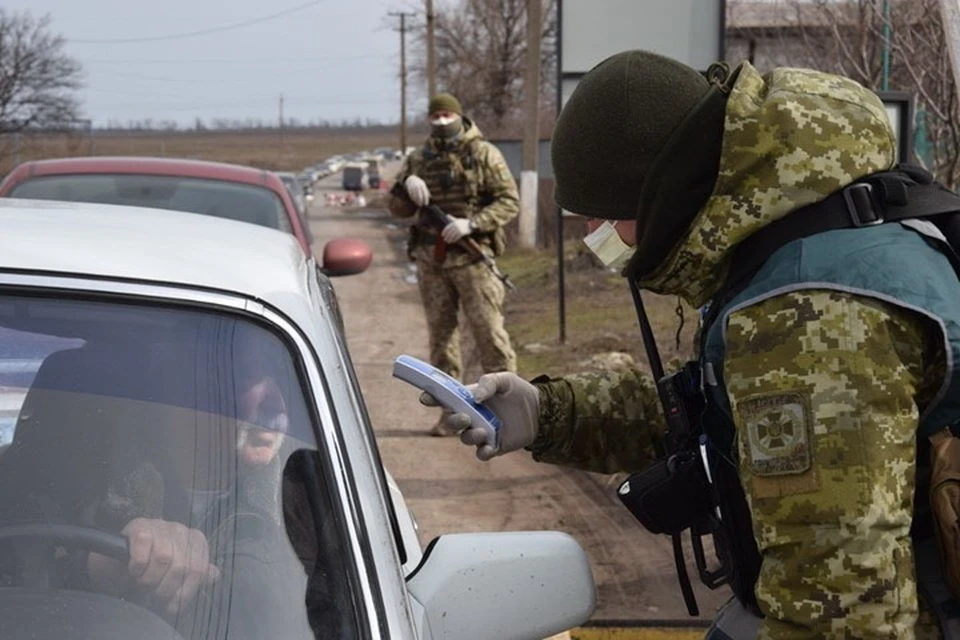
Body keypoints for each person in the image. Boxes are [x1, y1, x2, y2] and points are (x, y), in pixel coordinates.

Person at [433, 50, 960, 638]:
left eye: (602, 217)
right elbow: (723, 406)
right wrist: (548, 412)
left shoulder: (806, 317)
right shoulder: (799, 236)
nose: (593, 236)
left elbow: (840, 607)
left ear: (657, 200)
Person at [389, 92, 520, 436]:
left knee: (489, 334)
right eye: (436, 116)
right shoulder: (418, 159)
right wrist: (405, 186)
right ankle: (450, 413)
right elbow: (396, 208)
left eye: (448, 114)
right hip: (432, 260)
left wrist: (472, 224)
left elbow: (510, 201)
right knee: (442, 339)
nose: (442, 121)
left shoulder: (483, 154)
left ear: (460, 117)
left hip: (473, 259)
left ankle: (511, 411)